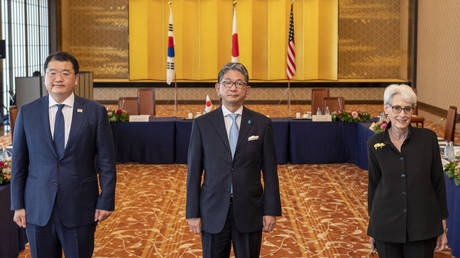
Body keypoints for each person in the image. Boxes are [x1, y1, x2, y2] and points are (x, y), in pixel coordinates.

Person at [10, 52, 116, 258]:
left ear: (76, 79)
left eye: (65, 73)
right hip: (38, 208)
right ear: (45, 77)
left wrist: (106, 200)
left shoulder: (94, 112)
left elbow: (106, 161)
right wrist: (18, 205)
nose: (58, 78)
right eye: (53, 73)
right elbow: (19, 164)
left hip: (80, 207)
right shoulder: (27, 113)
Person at [186, 62, 282, 258]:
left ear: (247, 90)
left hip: (250, 210)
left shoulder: (262, 124)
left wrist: (271, 210)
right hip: (212, 210)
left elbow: (270, 173)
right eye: (227, 82)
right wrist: (192, 213)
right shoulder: (202, 124)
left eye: (239, 83)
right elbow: (194, 173)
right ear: (218, 88)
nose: (233, 87)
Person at [367, 84, 449, 258]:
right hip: (386, 225)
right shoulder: (374, 143)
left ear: (413, 111)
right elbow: (374, 185)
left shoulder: (428, 139)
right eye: (397, 108)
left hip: (423, 225)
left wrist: (442, 223)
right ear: (386, 109)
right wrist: (373, 227)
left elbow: (438, 182)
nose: (402, 114)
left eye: (407, 108)